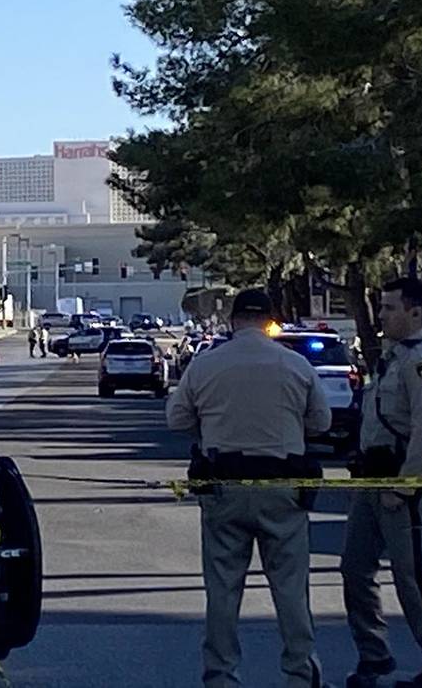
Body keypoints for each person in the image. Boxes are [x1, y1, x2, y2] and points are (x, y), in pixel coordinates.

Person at [166, 288, 332, 688]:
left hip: (224, 485)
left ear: (233, 320)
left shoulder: (206, 365)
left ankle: (221, 676)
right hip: (283, 486)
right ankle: (300, 674)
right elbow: (322, 422)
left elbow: (176, 418)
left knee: (223, 590)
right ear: (270, 320)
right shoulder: (295, 365)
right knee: (291, 590)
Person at [341, 278, 422, 688]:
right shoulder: (391, 358)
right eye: (381, 307)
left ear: (415, 313)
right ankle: (374, 655)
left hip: (402, 484)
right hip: (371, 480)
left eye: (388, 308)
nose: (381, 315)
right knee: (354, 568)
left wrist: (404, 486)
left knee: (413, 574)